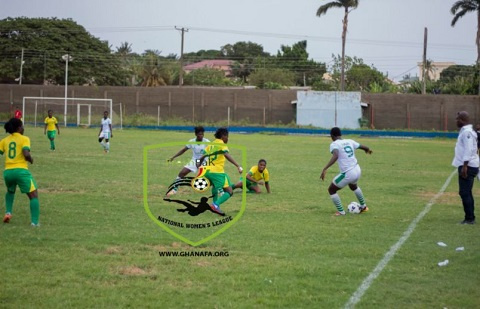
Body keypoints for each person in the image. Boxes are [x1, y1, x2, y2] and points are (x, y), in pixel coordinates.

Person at [320, 127, 372, 216]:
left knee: (331, 189)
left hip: (348, 173)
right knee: (353, 186)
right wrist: (367, 150)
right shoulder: (350, 141)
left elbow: (336, 155)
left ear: (332, 136)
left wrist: (325, 168)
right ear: (340, 135)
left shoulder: (334, 144)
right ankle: (363, 207)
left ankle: (341, 212)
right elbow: (363, 147)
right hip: (357, 169)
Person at [0, 118, 40, 226]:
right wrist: (31, 160)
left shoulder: (4, 141)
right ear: (18, 128)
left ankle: (8, 212)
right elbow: (26, 154)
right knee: (34, 195)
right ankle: (35, 223)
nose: (23, 128)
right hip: (21, 171)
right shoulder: (24, 139)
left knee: (10, 191)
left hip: (8, 172)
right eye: (22, 126)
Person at [196, 127, 243, 216]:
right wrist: (237, 165)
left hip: (207, 171)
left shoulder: (211, 144)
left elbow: (200, 157)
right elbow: (226, 154)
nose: (227, 139)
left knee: (214, 186)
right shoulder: (221, 144)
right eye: (227, 136)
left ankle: (215, 207)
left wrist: (198, 165)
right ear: (223, 136)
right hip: (217, 172)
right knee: (229, 191)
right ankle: (215, 205)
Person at [166, 126, 210, 196]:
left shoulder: (207, 142)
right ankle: (174, 190)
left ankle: (220, 190)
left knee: (213, 176)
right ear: (196, 134)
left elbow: (211, 152)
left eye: (202, 134)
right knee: (182, 173)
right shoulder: (191, 142)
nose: (201, 136)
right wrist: (173, 157)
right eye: (199, 134)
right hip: (195, 160)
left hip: (205, 160)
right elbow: (183, 150)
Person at [452, 111, 479, 225]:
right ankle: (470, 216)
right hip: (468, 164)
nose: (456, 121)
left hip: (468, 166)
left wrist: (465, 166)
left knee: (464, 192)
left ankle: (469, 218)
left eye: (457, 119)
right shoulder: (466, 131)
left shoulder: (467, 132)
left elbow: (469, 149)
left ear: (462, 120)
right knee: (466, 192)